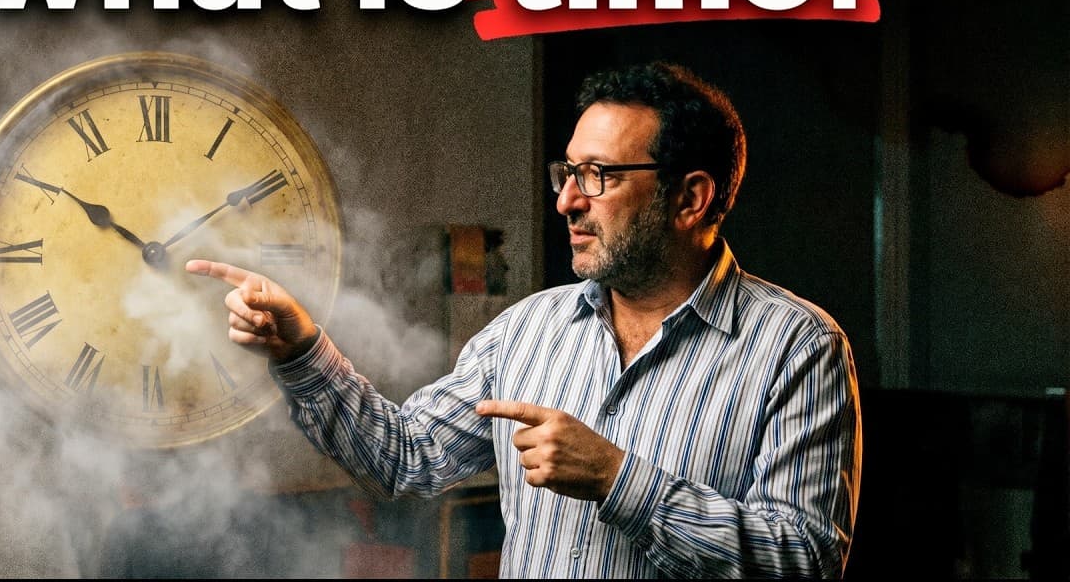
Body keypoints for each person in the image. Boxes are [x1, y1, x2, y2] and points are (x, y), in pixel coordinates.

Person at [186, 61, 861, 578]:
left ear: (690, 197)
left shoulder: (795, 347)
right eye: (565, 172)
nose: (567, 200)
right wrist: (301, 351)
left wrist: (618, 480)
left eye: (596, 175)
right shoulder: (526, 331)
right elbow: (404, 457)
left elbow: (804, 558)